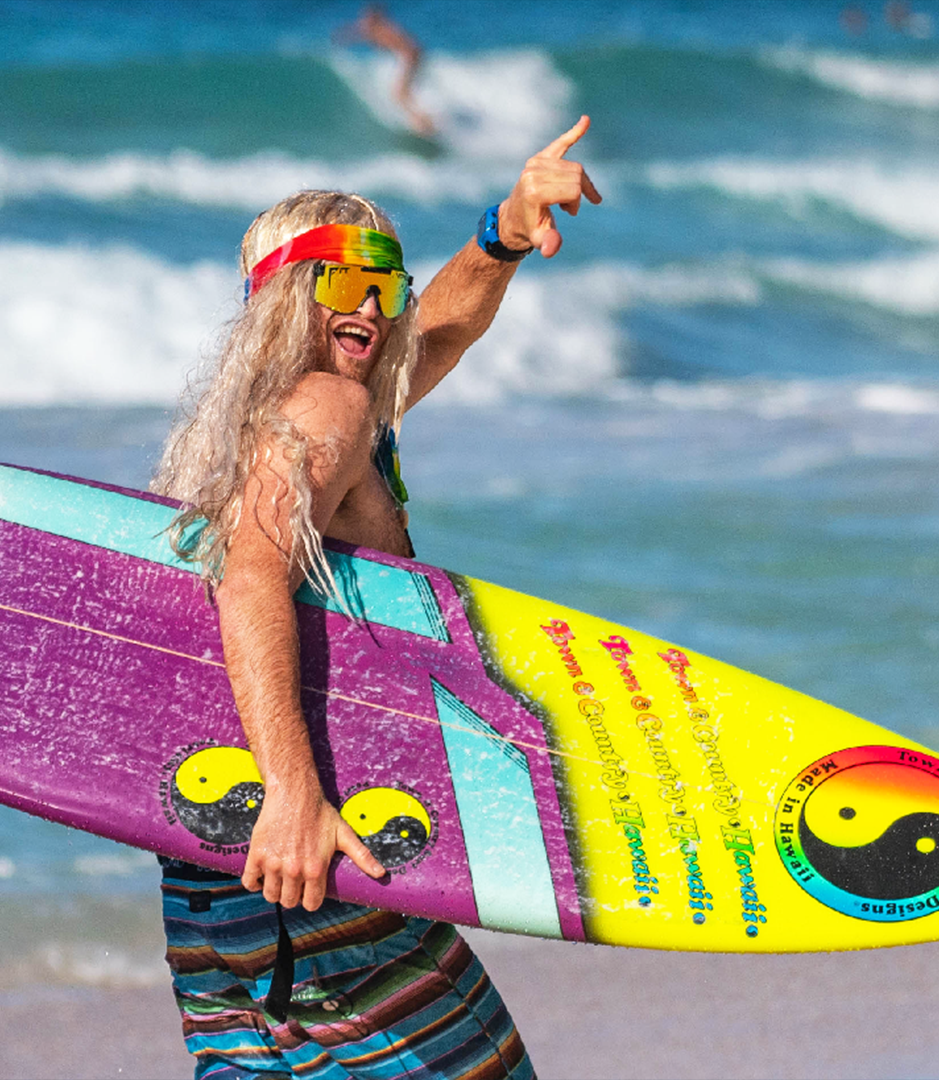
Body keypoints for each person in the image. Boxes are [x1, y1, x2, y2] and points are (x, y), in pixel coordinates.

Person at [151, 115, 601, 1079]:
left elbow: (442, 328)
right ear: (282, 299)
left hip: (216, 881)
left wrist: (504, 233)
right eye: (344, 282)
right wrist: (295, 797)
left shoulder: (271, 428)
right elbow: (252, 574)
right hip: (316, 845)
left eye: (385, 285)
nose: (377, 306)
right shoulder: (329, 410)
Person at [335, 4, 437, 137]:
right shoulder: (375, 30)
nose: (362, 21)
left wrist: (410, 60)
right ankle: (425, 120)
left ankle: (425, 123)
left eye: (366, 18)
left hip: (408, 57)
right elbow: (356, 32)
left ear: (374, 18)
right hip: (410, 57)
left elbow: (410, 45)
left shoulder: (384, 30)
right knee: (404, 92)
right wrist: (342, 37)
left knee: (398, 93)